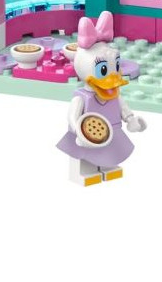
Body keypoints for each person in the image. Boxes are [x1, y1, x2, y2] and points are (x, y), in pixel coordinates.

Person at [56, 10, 146, 185]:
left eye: (116, 66)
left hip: (112, 131)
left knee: (110, 153)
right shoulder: (82, 97)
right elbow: (72, 116)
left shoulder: (114, 94)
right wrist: (78, 131)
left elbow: (123, 108)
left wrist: (131, 119)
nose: (112, 79)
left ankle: (108, 168)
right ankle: (84, 174)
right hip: (86, 136)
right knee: (84, 157)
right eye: (103, 70)